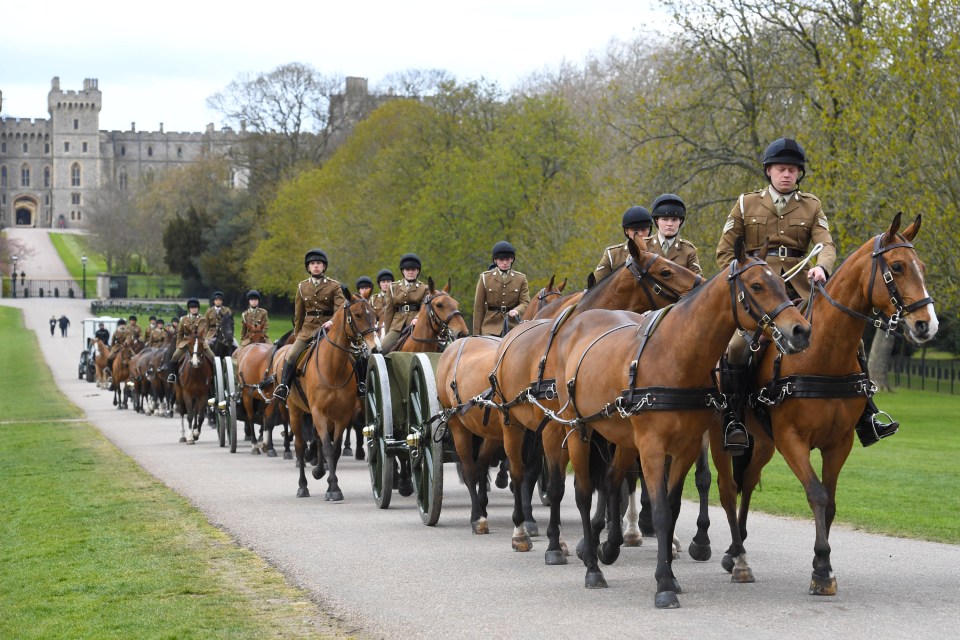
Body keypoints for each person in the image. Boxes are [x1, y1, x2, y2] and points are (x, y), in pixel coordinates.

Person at [716, 137, 895, 448]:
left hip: (800, 290)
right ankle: (734, 418)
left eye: (793, 170)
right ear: (768, 171)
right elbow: (724, 254)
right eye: (781, 169)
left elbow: (826, 244)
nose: (787, 174)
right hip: (758, 294)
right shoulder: (746, 204)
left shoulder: (812, 205)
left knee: (854, 344)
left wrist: (822, 268)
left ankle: (866, 416)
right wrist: (747, 280)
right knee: (736, 348)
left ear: (799, 174)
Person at [273, 249, 346, 401]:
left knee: (350, 353)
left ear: (324, 267)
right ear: (308, 267)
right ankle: (284, 387)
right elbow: (299, 315)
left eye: (319, 263)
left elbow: (341, 308)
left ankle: (358, 385)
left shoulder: (334, 286)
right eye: (312, 264)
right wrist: (298, 333)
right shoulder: (302, 287)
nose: (316, 266)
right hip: (308, 329)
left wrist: (332, 321)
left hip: (329, 328)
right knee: (292, 354)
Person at [473, 241, 530, 336]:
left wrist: (517, 311)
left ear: (512, 259)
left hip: (513, 326)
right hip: (490, 327)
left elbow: (525, 302)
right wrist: (476, 335)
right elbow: (478, 308)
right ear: (495, 260)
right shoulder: (485, 278)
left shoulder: (521, 279)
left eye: (507, 259)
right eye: (501, 259)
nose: (505, 262)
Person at [380, 253, 428, 352]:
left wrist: (417, 318)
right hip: (398, 325)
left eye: (413, 269)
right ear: (403, 271)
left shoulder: (424, 288)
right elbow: (389, 311)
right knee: (383, 347)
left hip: (417, 324)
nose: (410, 272)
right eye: (407, 270)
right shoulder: (393, 287)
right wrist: (388, 331)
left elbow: (425, 307)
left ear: (418, 271)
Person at [593, 206, 655, 281]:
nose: (640, 234)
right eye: (635, 230)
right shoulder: (613, 254)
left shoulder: (657, 250)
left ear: (649, 229)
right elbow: (596, 285)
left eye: (643, 229)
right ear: (626, 231)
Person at [647, 194, 702, 275]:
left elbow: (699, 283)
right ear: (656, 220)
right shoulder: (643, 246)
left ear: (680, 221)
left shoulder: (688, 251)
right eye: (665, 219)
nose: (669, 224)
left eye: (674, 220)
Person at [166, 298, 216, 382]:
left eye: (196, 308)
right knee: (175, 356)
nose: (194, 309)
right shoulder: (183, 319)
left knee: (212, 357)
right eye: (192, 308)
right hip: (186, 342)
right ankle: (172, 375)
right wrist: (178, 345)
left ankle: (213, 377)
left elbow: (200, 332)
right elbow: (180, 334)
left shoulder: (202, 319)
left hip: (200, 342)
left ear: (198, 308)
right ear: (189, 309)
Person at [372, 269, 394, 335]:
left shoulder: (397, 297)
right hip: (377, 331)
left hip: (393, 328)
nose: (386, 284)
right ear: (379, 284)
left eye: (388, 281)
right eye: (383, 282)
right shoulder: (373, 299)